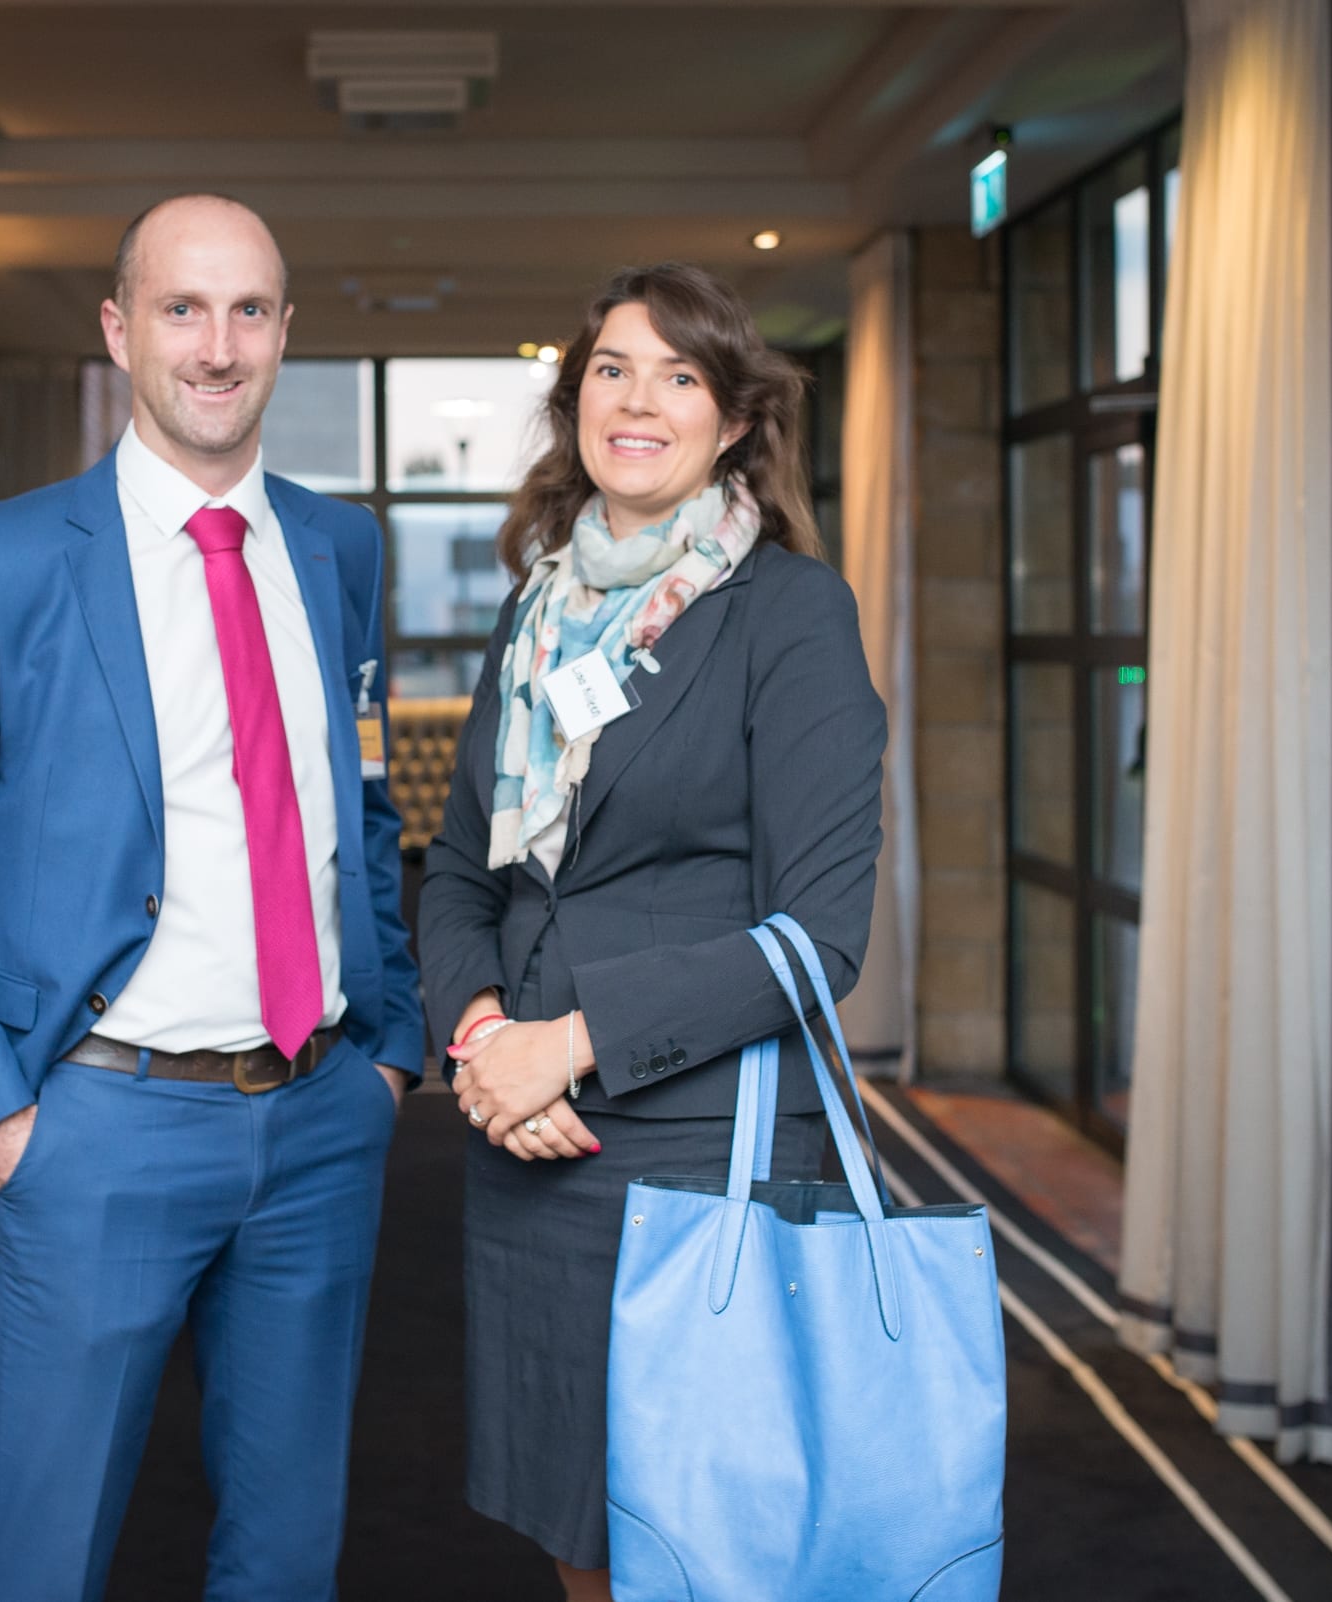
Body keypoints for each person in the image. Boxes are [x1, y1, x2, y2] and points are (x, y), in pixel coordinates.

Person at [0, 193, 422, 1602]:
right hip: (96, 1126)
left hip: (321, 1121)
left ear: (284, 333)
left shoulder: (342, 551)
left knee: (288, 1553)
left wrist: (391, 1048)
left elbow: (364, 802)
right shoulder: (4, 560)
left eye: (247, 311)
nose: (215, 347)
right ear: (118, 329)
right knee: (43, 1552)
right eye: (180, 308)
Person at [417, 262, 886, 1601]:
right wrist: (484, 1030)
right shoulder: (532, 614)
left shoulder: (791, 615)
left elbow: (818, 937)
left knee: (710, 1546)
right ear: (576, 402)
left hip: (697, 1153)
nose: (639, 400)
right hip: (534, 1149)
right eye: (613, 369)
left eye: (680, 375)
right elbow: (462, 872)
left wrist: (568, 1040)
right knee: (587, 1535)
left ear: (734, 421)